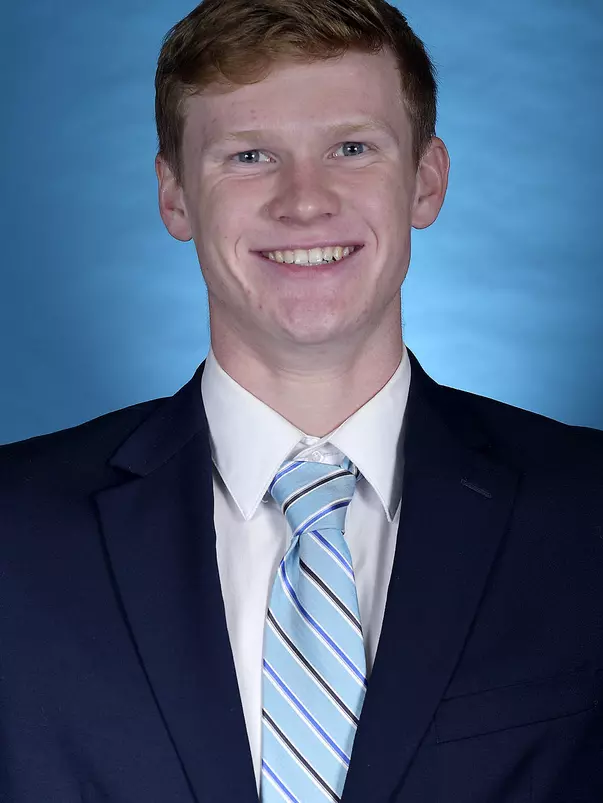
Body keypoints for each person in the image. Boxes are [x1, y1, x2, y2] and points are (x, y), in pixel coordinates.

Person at [1, 0, 601, 800]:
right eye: (249, 156)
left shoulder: (587, 512)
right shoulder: (13, 532)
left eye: (351, 147)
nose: (304, 200)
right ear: (174, 195)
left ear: (426, 181)